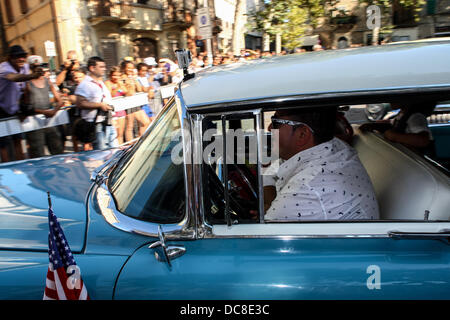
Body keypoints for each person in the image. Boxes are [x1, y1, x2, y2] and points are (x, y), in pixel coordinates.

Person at [263, 108, 379, 221]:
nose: (269, 128)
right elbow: (271, 171)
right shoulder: (332, 146)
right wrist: (271, 203)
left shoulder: (307, 190)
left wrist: (271, 206)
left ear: (302, 134)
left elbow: (263, 234)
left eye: (276, 123)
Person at [0, 45, 44, 162]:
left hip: (14, 108)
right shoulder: (4, 67)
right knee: (3, 143)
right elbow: (14, 78)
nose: (21, 59)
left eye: (23, 56)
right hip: (1, 109)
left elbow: (26, 89)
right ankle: (6, 171)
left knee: (18, 138)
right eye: (17, 56)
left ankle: (21, 165)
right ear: (10, 58)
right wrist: (33, 75)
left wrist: (25, 108)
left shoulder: (25, 67)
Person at [359, 101, 436, 156]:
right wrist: (374, 126)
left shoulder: (415, 117)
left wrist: (395, 136)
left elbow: (423, 140)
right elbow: (394, 126)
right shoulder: (401, 114)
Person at [75, 56, 118, 150]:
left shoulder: (100, 83)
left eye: (104, 66)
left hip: (108, 121)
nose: (104, 69)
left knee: (114, 150)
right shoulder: (84, 85)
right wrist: (99, 105)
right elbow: (80, 103)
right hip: (95, 125)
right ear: (92, 68)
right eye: (101, 67)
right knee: (102, 152)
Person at [24, 58, 64, 158]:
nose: (37, 68)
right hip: (35, 123)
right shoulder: (28, 83)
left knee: (57, 150)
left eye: (39, 66)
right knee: (38, 153)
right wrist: (43, 112)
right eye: (34, 66)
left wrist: (54, 111)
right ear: (30, 67)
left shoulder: (47, 81)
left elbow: (59, 100)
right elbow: (27, 107)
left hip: (49, 121)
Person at [120, 60, 150, 142]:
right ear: (124, 68)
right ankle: (130, 145)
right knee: (130, 126)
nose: (130, 70)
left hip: (135, 103)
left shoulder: (133, 77)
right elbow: (128, 92)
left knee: (146, 122)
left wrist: (135, 80)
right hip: (127, 103)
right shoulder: (122, 78)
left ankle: (140, 142)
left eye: (132, 68)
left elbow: (139, 89)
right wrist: (129, 83)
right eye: (128, 68)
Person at [105, 66, 127, 145]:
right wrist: (117, 87)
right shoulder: (108, 83)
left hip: (121, 110)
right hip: (113, 112)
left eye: (118, 75)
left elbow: (127, 92)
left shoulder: (120, 83)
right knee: (114, 135)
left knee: (120, 134)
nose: (116, 77)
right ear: (110, 75)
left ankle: (120, 151)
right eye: (114, 75)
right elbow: (110, 94)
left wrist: (124, 85)